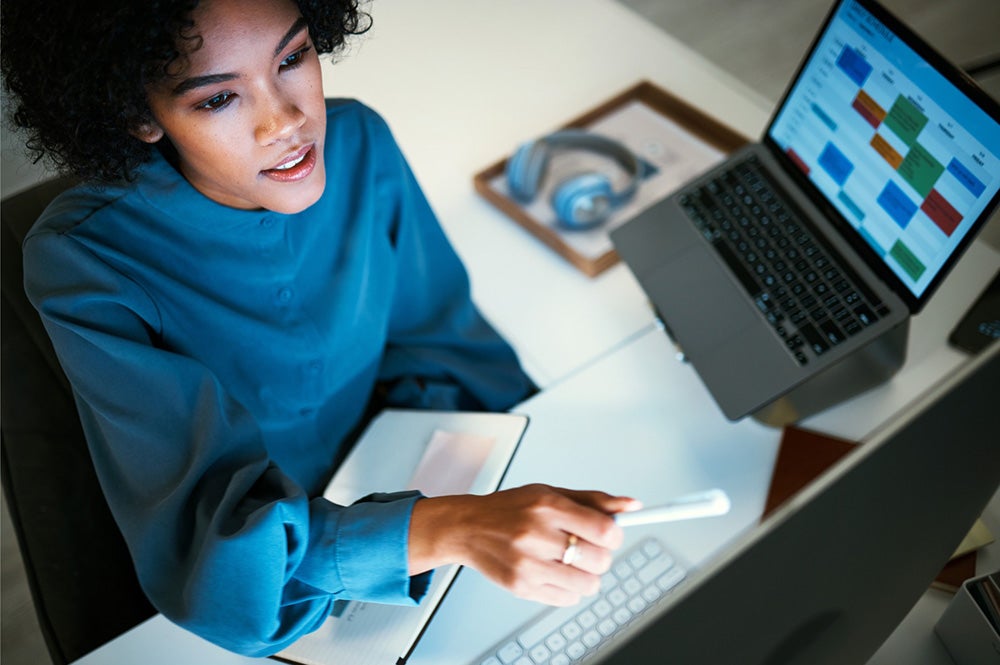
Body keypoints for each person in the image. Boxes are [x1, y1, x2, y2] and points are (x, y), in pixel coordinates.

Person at [1, 0, 641, 656]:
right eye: (219, 99)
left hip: (407, 492)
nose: (286, 121)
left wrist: (468, 487)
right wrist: (446, 526)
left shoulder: (362, 143)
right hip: (269, 596)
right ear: (139, 115)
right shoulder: (85, 262)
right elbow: (224, 566)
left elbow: (447, 346)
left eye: (292, 58)